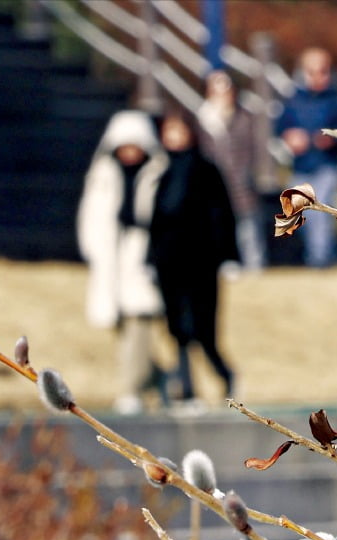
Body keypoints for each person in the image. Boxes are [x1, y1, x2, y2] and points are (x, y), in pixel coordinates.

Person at [77, 110, 171, 414]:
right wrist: (93, 248)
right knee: (120, 326)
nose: (130, 153)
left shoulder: (158, 173)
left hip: (143, 257)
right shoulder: (102, 174)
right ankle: (164, 381)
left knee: (139, 323)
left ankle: (130, 390)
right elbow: (91, 215)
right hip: (112, 259)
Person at [148, 108, 239, 406]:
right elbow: (157, 221)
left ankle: (225, 376)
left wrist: (227, 255)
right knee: (177, 329)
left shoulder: (206, 170)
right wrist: (151, 258)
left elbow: (222, 215)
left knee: (204, 328)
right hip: (169, 262)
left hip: (201, 261)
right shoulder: (161, 172)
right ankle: (186, 388)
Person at [275, 47, 337, 268]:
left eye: (323, 71)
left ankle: (320, 260)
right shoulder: (292, 100)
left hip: (326, 165)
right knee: (299, 215)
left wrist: (333, 139)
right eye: (312, 71)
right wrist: (290, 137)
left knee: (321, 212)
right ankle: (309, 256)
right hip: (300, 166)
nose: (318, 76)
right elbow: (280, 127)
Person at [197, 69, 263, 275]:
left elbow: (255, 149)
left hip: (241, 183)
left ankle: (254, 267)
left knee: (248, 227)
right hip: (211, 186)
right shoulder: (200, 120)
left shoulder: (245, 118)